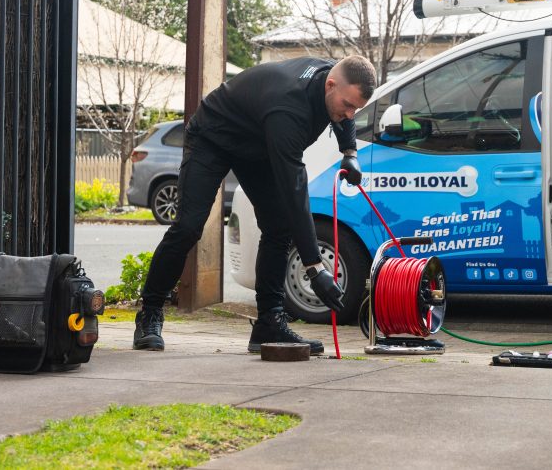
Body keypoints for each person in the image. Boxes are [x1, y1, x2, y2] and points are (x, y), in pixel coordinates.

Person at [134, 54, 377, 354]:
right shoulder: (289, 108)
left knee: (278, 227)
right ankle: (150, 312)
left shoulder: (333, 80)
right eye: (348, 105)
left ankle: (268, 323)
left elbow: (344, 115)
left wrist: (349, 151)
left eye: (357, 108)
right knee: (188, 226)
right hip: (214, 137)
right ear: (329, 86)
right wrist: (315, 267)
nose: (351, 114)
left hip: (257, 144)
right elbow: (295, 192)